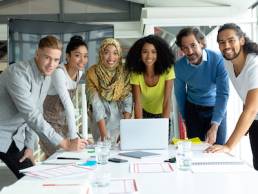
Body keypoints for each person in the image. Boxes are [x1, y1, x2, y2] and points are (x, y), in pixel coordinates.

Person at [0, 35, 87, 179]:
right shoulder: (17, 74)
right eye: (47, 58)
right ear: (37, 54)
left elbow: (38, 110)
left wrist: (29, 146)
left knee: (32, 178)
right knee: (31, 180)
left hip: (14, 137)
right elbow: (31, 115)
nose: (51, 64)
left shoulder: (47, 77)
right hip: (2, 133)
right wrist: (64, 143)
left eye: (56, 60)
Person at [205, 23, 258, 170]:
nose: (226, 45)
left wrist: (228, 146)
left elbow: (251, 110)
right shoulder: (229, 62)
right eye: (221, 42)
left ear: (241, 40)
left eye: (231, 40)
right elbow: (248, 94)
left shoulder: (254, 64)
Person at [174, 27, 229, 145]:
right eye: (185, 48)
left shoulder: (218, 59)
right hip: (193, 110)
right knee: (196, 149)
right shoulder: (179, 66)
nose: (189, 51)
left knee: (218, 148)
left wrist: (214, 126)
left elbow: (223, 94)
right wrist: (185, 118)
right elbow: (180, 94)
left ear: (201, 43)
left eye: (193, 45)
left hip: (216, 107)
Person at [40, 35, 88, 158]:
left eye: (85, 56)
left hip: (63, 125)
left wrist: (76, 136)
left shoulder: (79, 72)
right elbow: (68, 105)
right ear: (67, 56)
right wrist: (73, 138)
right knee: (60, 158)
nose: (82, 60)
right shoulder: (58, 73)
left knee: (78, 153)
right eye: (77, 55)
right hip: (49, 125)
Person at [86, 38, 132, 143]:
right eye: (107, 53)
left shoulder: (124, 73)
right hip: (100, 124)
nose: (111, 57)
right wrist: (103, 133)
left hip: (120, 123)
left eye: (115, 53)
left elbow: (128, 100)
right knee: (103, 153)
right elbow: (95, 102)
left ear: (119, 55)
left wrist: (124, 130)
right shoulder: (92, 73)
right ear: (101, 53)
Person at [125, 35, 175, 119]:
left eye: (153, 52)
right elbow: (137, 103)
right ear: (139, 54)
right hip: (145, 111)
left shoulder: (168, 70)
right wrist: (139, 124)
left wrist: (164, 125)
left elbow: (167, 100)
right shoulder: (135, 73)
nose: (149, 56)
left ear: (159, 54)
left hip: (164, 111)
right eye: (145, 52)